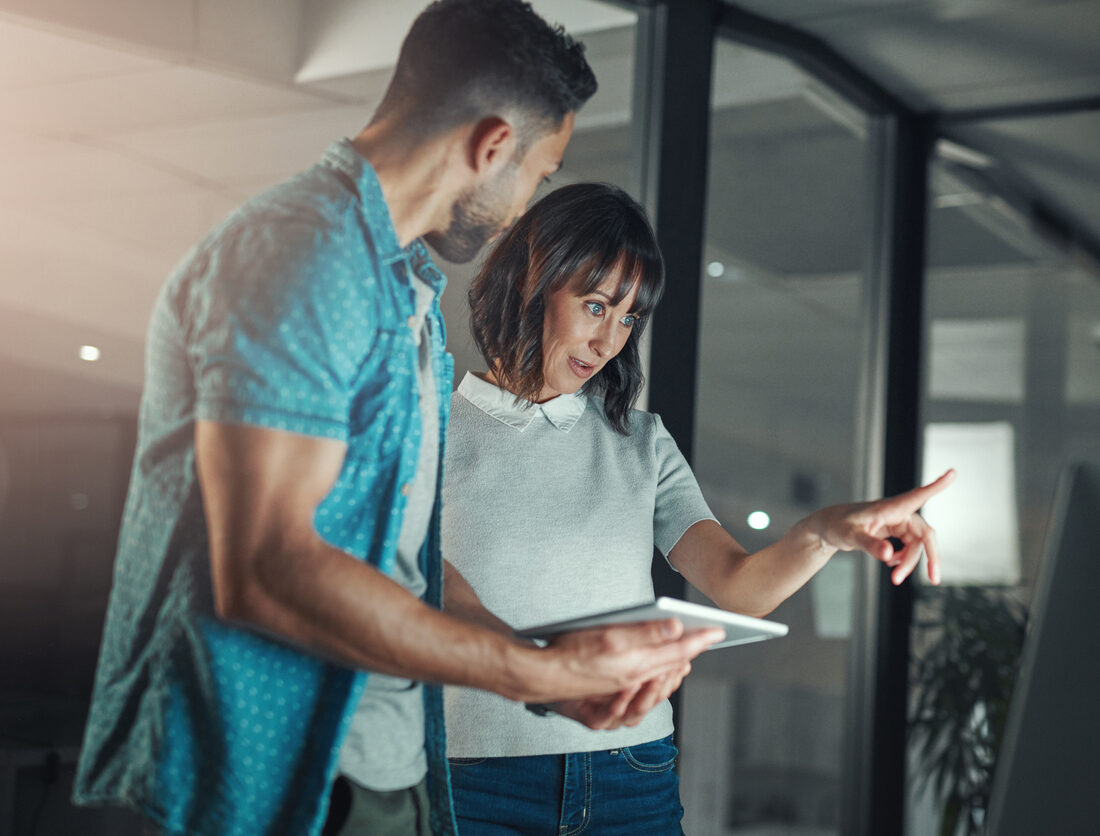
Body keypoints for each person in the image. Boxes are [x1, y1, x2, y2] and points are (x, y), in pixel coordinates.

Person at [72, 5, 723, 836]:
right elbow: (270, 568)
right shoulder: (302, 254)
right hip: (266, 773)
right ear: (492, 146)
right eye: (540, 171)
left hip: (384, 765)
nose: (528, 199)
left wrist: (554, 667)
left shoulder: (404, 293)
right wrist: (528, 673)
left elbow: (411, 566)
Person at [439, 182, 956, 835]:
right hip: (478, 775)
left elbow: (739, 588)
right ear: (529, 285)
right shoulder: (434, 428)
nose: (608, 341)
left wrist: (826, 531)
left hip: (632, 774)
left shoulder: (641, 442)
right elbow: (429, 596)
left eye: (628, 318)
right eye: (595, 306)